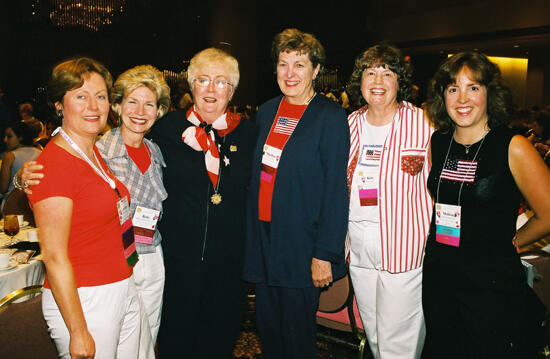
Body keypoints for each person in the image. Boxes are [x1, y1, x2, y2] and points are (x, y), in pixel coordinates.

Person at [423, 51, 550, 358]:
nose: (462, 98)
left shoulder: (512, 146)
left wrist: (514, 241)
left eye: (473, 87)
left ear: (490, 94)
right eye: (453, 89)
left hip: (490, 283)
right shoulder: (438, 142)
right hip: (440, 275)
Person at [243, 28, 349, 359]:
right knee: (269, 330)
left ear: (316, 70)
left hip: (302, 245)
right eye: (283, 63)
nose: (290, 73)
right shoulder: (266, 111)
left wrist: (324, 254)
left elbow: (335, 191)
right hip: (265, 239)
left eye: (300, 64)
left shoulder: (330, 117)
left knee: (297, 338)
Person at [27, 57, 142, 359]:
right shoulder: (54, 165)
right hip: (86, 298)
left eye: (100, 96)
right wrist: (78, 332)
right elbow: (53, 256)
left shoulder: (91, 150)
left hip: (119, 283)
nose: (93, 105)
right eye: (81, 96)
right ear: (59, 105)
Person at [149, 48, 258, 358]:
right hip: (177, 261)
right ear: (190, 85)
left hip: (229, 263)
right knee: (175, 341)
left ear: (233, 90)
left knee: (219, 341)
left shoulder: (250, 134)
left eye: (221, 82)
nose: (211, 89)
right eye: (203, 80)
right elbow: (123, 153)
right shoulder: (165, 129)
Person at [345, 44, 433, 359]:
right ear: (360, 80)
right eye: (370, 72)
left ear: (400, 81)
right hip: (358, 244)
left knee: (401, 343)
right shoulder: (349, 125)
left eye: (387, 72)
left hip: (404, 246)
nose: (378, 81)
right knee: (376, 337)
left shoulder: (424, 123)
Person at [96, 64, 170, 354]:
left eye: (149, 104)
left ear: (158, 111)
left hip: (152, 254)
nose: (140, 111)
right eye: (132, 102)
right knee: (115, 340)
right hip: (114, 255)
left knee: (148, 336)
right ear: (117, 105)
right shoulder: (98, 151)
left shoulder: (155, 151)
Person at [0, 121, 41, 201]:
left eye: (9, 136)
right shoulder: (40, 152)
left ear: (20, 137)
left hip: (12, 203)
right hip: (35, 200)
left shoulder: (10, 156)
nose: (5, 140)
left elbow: (3, 188)